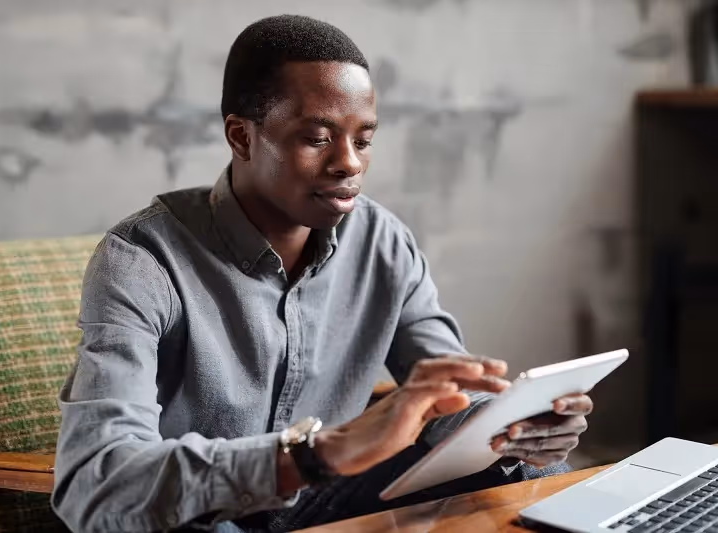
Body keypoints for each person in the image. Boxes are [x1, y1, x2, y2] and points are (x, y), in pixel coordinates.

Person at [52, 14, 592, 533]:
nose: (349, 163)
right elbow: (95, 485)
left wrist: (513, 422)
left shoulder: (382, 242)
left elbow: (449, 391)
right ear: (241, 137)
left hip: (327, 497)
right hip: (203, 513)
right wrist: (318, 453)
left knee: (528, 474)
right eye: (317, 138)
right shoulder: (142, 259)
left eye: (364, 140)